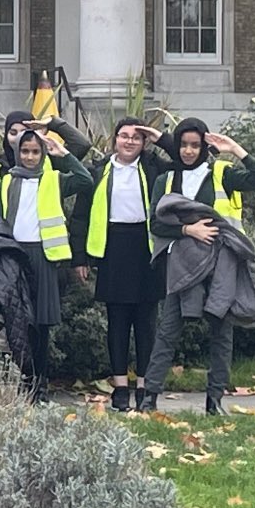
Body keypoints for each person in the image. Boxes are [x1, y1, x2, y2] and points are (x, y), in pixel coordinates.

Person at [142, 119, 255, 414]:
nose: (189, 151)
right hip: (183, 267)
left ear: (204, 147)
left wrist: (235, 149)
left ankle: (214, 401)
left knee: (221, 333)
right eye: (183, 145)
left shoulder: (221, 173)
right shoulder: (166, 180)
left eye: (195, 145)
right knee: (168, 331)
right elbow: (155, 224)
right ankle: (149, 397)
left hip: (220, 266)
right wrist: (188, 231)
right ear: (176, 146)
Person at [79, 118, 169, 412]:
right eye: (124, 136)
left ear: (144, 144)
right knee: (117, 323)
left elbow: (183, 160)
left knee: (146, 323)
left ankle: (144, 387)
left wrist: (161, 139)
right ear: (114, 139)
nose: (129, 141)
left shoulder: (154, 168)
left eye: (136, 138)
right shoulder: (98, 171)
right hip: (113, 248)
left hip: (146, 249)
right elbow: (81, 214)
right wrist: (81, 257)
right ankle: (119, 386)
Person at [0, 125, 93, 392]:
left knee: (40, 325)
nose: (29, 157)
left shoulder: (54, 179)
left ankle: (40, 384)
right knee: (16, 324)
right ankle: (19, 383)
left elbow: (85, 181)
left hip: (43, 256)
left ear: (42, 154)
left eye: (35, 152)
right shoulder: (7, 180)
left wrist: (63, 154)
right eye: (25, 151)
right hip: (14, 258)